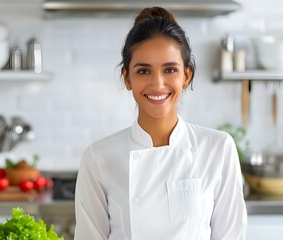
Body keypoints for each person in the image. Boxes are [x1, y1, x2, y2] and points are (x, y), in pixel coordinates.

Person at [74, 6, 247, 240]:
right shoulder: (98, 157)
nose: (157, 83)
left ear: (186, 76)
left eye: (170, 70)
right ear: (127, 78)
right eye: (143, 71)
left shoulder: (217, 148)